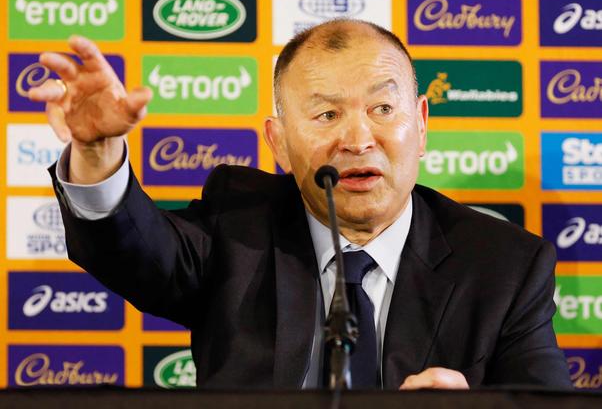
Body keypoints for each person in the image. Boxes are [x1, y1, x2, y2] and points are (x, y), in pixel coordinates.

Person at [30, 19, 572, 390]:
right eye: (326, 115)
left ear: (423, 124)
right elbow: (135, 248)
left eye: (384, 108)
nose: (359, 139)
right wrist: (96, 150)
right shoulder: (237, 226)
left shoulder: (503, 266)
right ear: (279, 142)